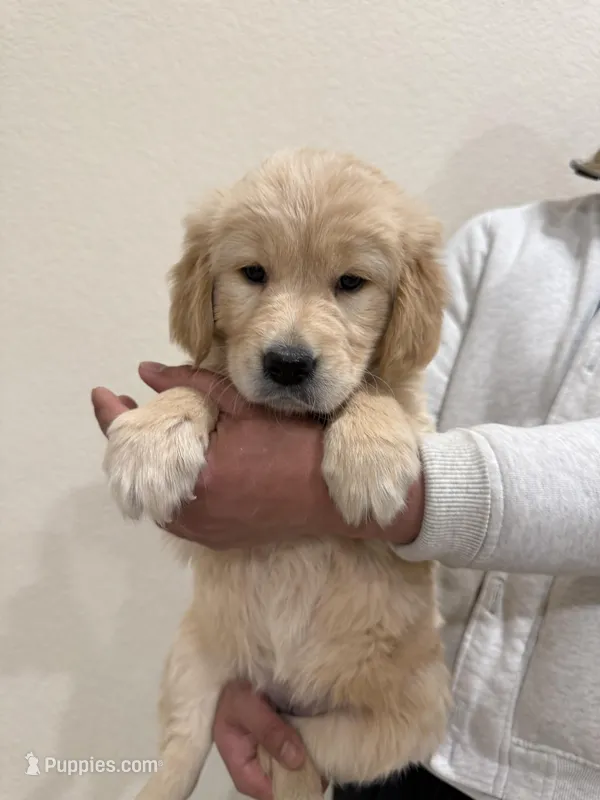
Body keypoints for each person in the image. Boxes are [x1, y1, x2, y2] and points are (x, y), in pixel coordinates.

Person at [93, 156, 600, 800]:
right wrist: (184, 408)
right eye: (254, 273)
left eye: (349, 282)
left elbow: (398, 405)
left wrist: (371, 430)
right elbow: (405, 394)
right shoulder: (497, 243)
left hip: (436, 717)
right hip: (401, 756)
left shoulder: (431, 255)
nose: (290, 340)